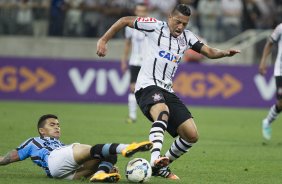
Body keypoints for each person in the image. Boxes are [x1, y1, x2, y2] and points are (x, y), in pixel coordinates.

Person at [96, 4, 240, 180]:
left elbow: (209, 52)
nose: (180, 27)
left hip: (167, 90)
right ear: (170, 17)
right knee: (162, 112)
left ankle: (160, 167)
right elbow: (124, 20)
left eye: (185, 24)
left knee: (191, 135)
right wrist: (103, 40)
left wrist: (225, 53)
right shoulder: (155, 26)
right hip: (147, 86)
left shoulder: (187, 37)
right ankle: (155, 158)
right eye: (178, 22)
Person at [0, 114, 153, 182]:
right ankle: (127, 147)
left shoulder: (59, 145)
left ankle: (100, 173)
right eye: (52, 125)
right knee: (94, 148)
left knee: (108, 157)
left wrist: (107, 167)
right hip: (54, 159)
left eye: (58, 125)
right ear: (41, 130)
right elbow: (7, 159)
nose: (57, 127)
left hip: (63, 174)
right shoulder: (34, 142)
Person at [121, 3, 148, 123]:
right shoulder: (129, 27)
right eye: (139, 11)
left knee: (149, 89)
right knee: (132, 87)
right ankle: (132, 116)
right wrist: (123, 60)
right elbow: (127, 44)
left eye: (143, 11)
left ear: (146, 12)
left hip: (148, 62)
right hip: (135, 61)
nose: (141, 13)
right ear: (136, 12)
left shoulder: (151, 26)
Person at [259, 23, 282, 140]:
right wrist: (263, 61)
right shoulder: (280, 28)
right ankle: (267, 121)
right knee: (281, 103)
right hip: (281, 70)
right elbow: (269, 43)